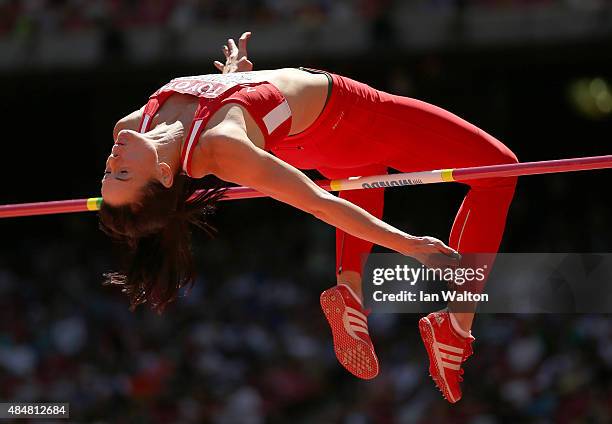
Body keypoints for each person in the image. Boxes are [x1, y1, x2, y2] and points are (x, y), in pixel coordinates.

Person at [99, 32, 517, 403]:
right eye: (123, 173)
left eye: (108, 173)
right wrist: (409, 246)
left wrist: (233, 78)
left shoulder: (131, 124)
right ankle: (457, 324)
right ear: (164, 175)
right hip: (348, 117)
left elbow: (228, 103)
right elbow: (318, 202)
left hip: (310, 137)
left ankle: (351, 289)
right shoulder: (221, 148)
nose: (113, 159)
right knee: (498, 170)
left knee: (361, 175)